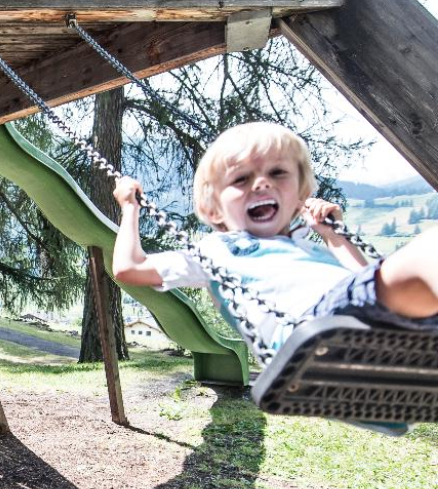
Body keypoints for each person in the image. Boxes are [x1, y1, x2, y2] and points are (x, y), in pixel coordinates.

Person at [112, 122, 438, 431]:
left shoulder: (314, 250)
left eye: (278, 172)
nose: (262, 183)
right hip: (312, 334)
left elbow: (374, 287)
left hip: (378, 337)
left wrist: (334, 237)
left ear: (300, 195)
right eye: (241, 180)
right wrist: (130, 208)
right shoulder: (218, 250)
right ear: (214, 209)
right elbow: (128, 268)